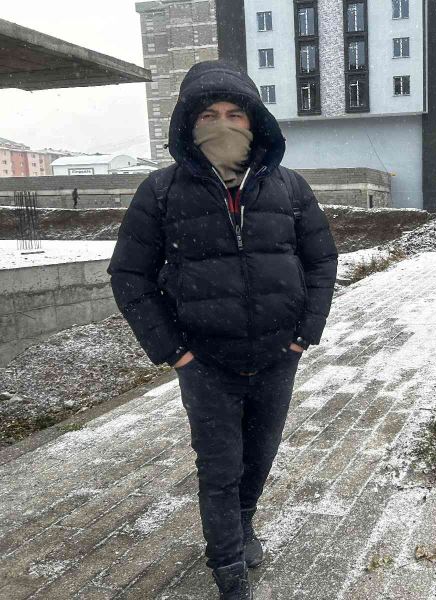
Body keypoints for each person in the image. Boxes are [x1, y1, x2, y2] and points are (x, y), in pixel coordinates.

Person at [108, 61, 338, 599]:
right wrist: (174, 351)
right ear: (189, 124)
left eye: (235, 114)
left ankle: (243, 523)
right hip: (206, 362)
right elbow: (129, 275)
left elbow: (321, 262)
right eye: (209, 114)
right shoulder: (161, 192)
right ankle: (228, 567)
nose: (223, 124)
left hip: (277, 355)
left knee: (258, 458)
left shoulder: (291, 188)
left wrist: (304, 334)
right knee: (220, 468)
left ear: (255, 124)